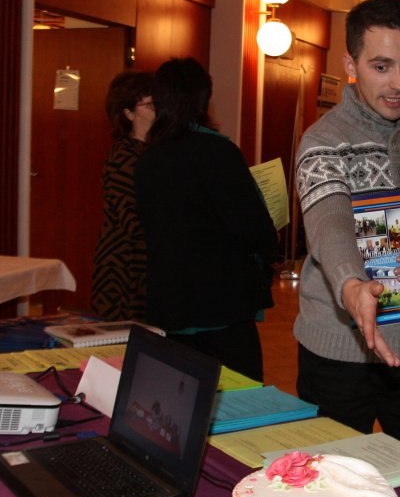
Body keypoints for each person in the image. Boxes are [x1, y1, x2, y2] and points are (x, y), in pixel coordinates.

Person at [293, 0, 400, 462]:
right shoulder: (322, 141)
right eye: (381, 66)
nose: (398, 83)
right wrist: (350, 285)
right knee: (331, 489)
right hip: (339, 355)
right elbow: (328, 224)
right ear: (351, 65)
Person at [134, 58, 280, 382]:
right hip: (220, 303)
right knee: (240, 393)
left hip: (171, 301)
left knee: (180, 392)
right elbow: (250, 224)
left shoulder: (148, 158)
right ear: (203, 99)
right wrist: (271, 248)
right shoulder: (218, 152)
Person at [91, 71, 156, 321]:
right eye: (150, 105)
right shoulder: (122, 157)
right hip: (123, 267)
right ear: (129, 114)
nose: (159, 110)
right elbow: (132, 221)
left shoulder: (154, 151)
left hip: (145, 264)